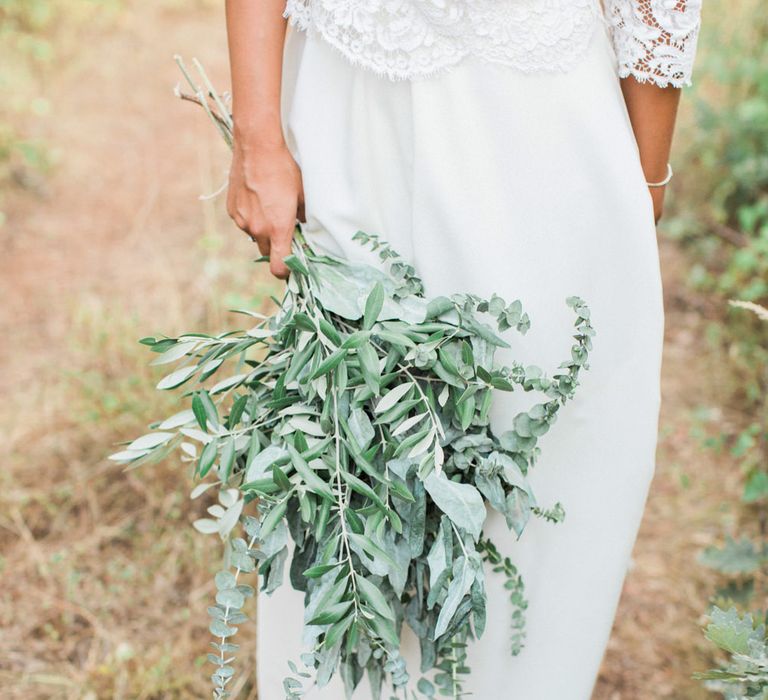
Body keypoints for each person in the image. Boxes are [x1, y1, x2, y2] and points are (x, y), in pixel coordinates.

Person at [224, 1, 702, 697]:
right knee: (344, 461)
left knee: (538, 471)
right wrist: (257, 131)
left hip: (537, 113)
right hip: (351, 97)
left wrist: (643, 176)